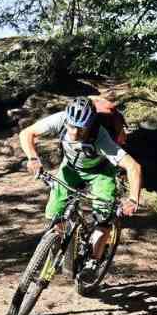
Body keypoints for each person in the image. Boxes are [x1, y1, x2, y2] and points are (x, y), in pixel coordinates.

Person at [18, 96, 143, 260]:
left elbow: (133, 166)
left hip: (101, 173)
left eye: (82, 129)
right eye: (72, 126)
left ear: (91, 125)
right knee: (54, 213)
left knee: (102, 218)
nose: (75, 132)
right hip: (70, 168)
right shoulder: (61, 118)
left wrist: (133, 199)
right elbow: (27, 133)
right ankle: (56, 248)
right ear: (67, 120)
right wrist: (33, 158)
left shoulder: (101, 137)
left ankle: (94, 260)